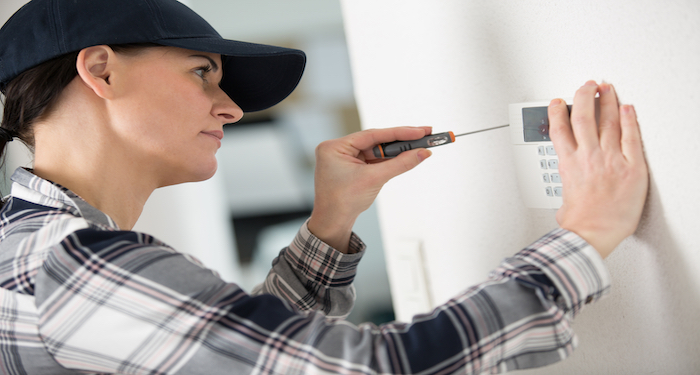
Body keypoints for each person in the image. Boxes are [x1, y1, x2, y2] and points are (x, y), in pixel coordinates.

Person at [0, 0, 648, 374]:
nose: (229, 108)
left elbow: (229, 348)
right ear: (101, 71)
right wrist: (586, 234)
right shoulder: (76, 265)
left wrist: (331, 218)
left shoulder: (27, 247)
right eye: (203, 72)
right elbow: (380, 366)